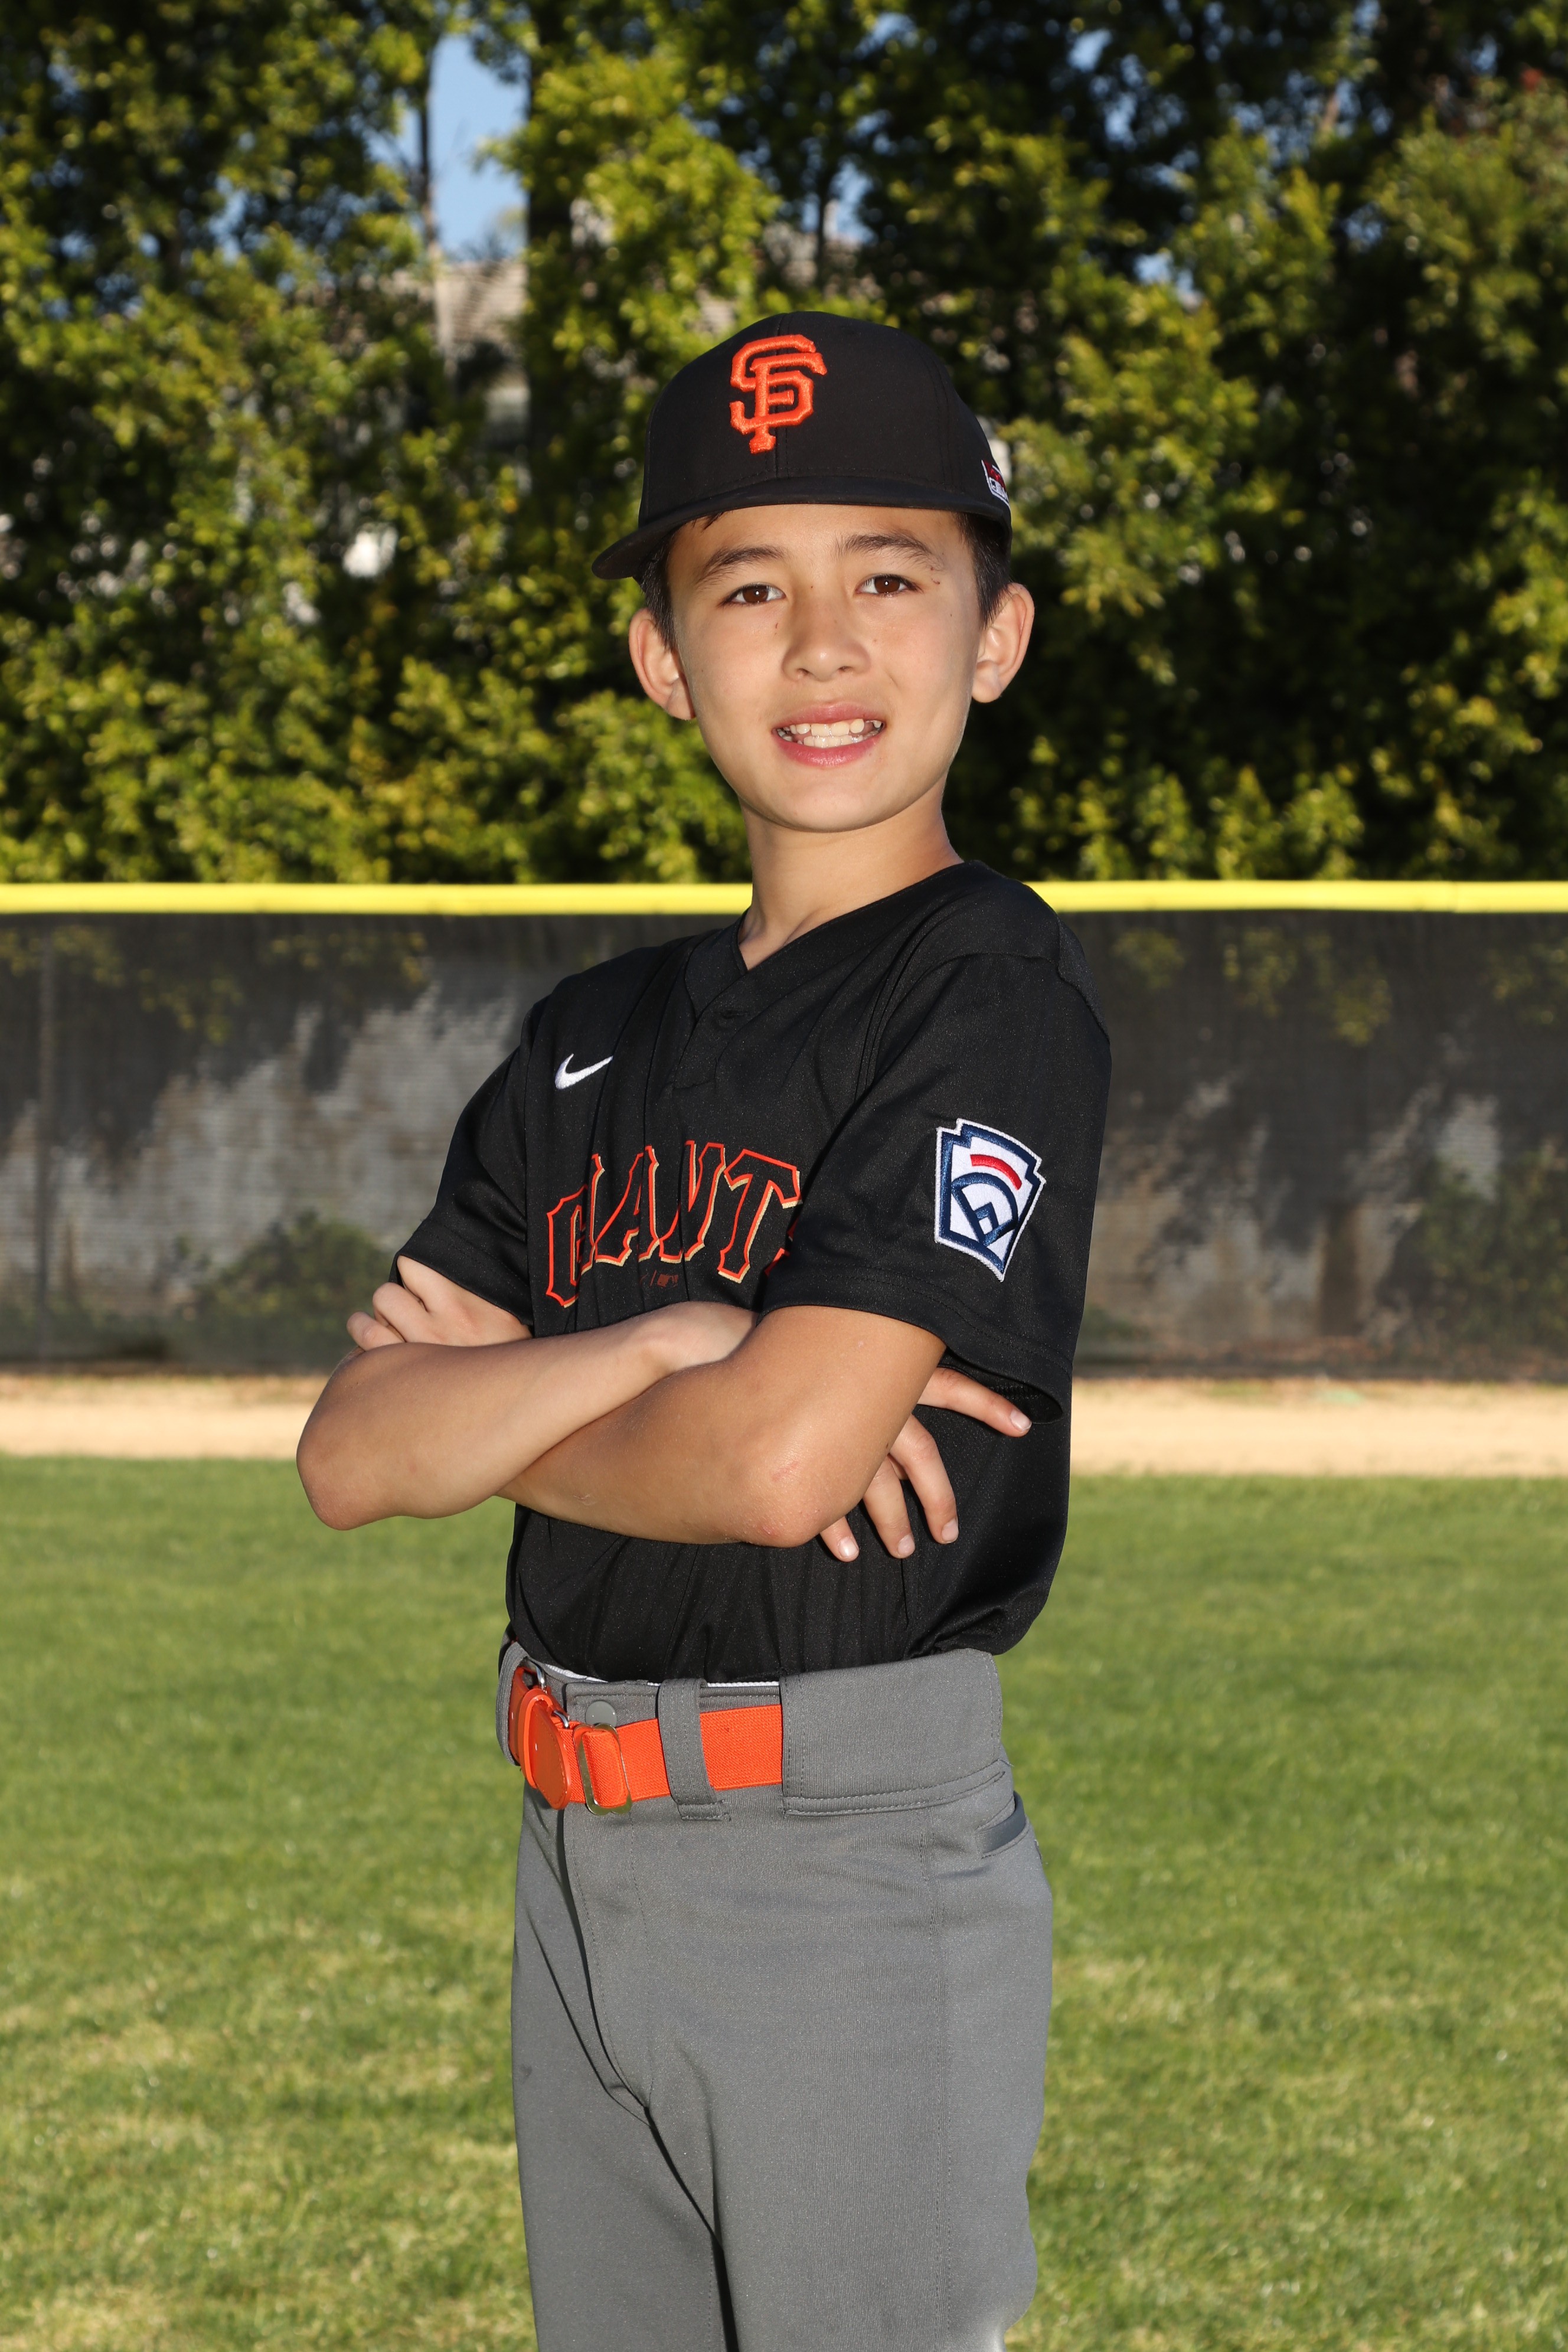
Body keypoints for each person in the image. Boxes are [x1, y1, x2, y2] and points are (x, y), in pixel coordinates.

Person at [297, 310, 1110, 2352]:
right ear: (666, 660)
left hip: (841, 1860)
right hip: (572, 1851)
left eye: (891, 579)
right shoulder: (587, 1038)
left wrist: (511, 1410)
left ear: (996, 638)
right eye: (749, 589)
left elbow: (779, 1464)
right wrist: (668, 1345)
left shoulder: (981, 991)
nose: (822, 645)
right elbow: (352, 1456)